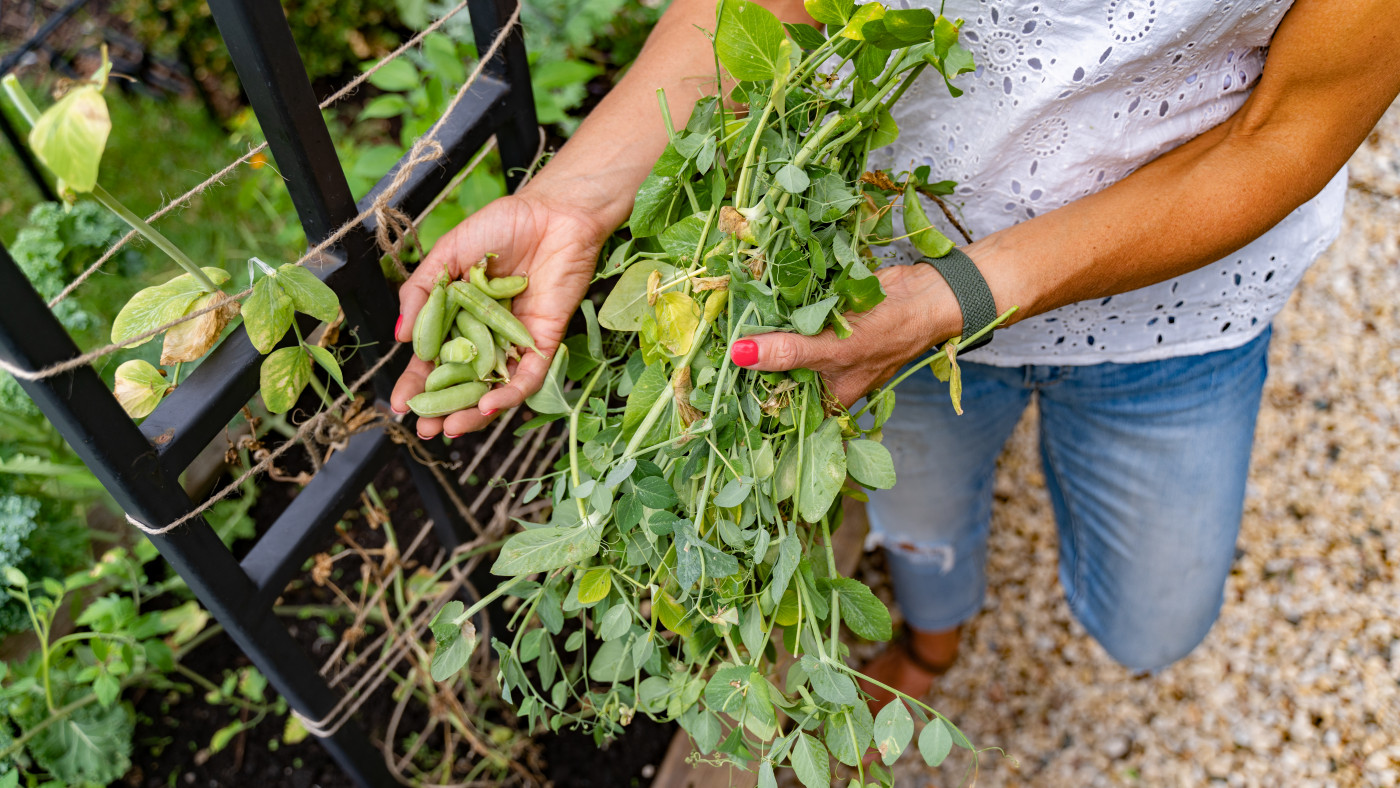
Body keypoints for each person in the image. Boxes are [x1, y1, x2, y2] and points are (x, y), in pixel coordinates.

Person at [390, 0, 1400, 709]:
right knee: (920, 527)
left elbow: (1284, 133)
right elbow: (774, 4)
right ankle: (932, 643)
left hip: (1172, 305)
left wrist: (961, 295)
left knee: (1153, 626)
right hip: (879, 294)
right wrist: (574, 201)